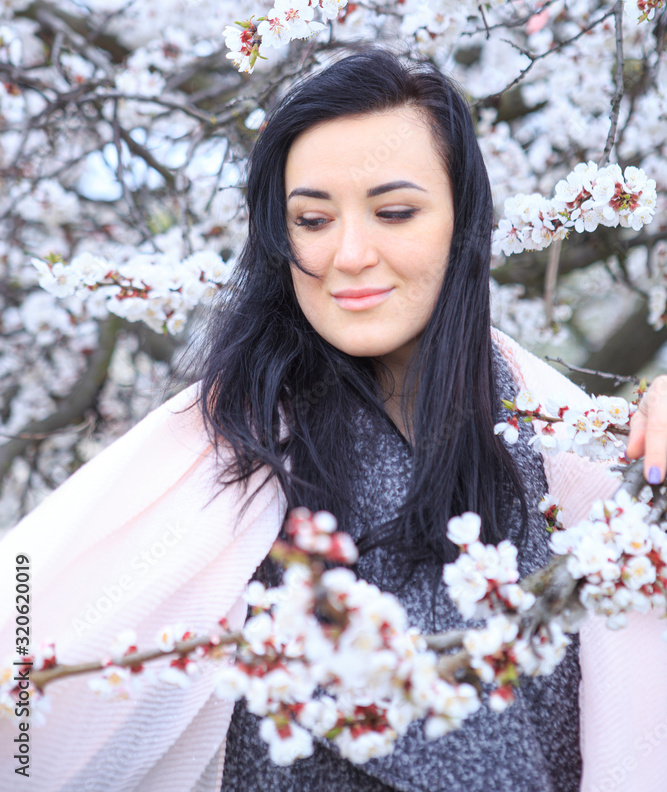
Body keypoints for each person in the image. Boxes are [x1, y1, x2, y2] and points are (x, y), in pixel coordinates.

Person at [0, 49, 666, 792]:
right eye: (312, 220)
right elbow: (27, 631)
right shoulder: (224, 446)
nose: (348, 254)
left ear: (461, 223)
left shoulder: (561, 450)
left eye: (394, 212)